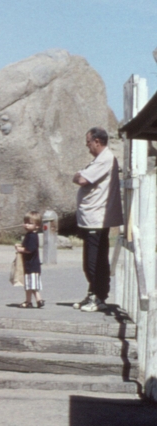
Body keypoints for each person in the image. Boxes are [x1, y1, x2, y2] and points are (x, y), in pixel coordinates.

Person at [72, 126, 123, 313]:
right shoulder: (100, 159)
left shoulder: (105, 159)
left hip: (96, 218)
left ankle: (99, 297)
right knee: (96, 260)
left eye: (88, 143)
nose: (87, 147)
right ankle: (94, 293)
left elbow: (82, 179)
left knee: (93, 262)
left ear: (97, 141)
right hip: (91, 218)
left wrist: (78, 175)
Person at [15, 213, 44, 309]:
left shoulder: (32, 236)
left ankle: (28, 301)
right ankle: (39, 300)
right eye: (25, 222)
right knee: (32, 285)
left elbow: (29, 249)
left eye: (30, 223)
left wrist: (20, 249)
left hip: (31, 265)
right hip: (31, 265)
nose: (26, 225)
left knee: (29, 286)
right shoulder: (30, 235)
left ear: (37, 226)